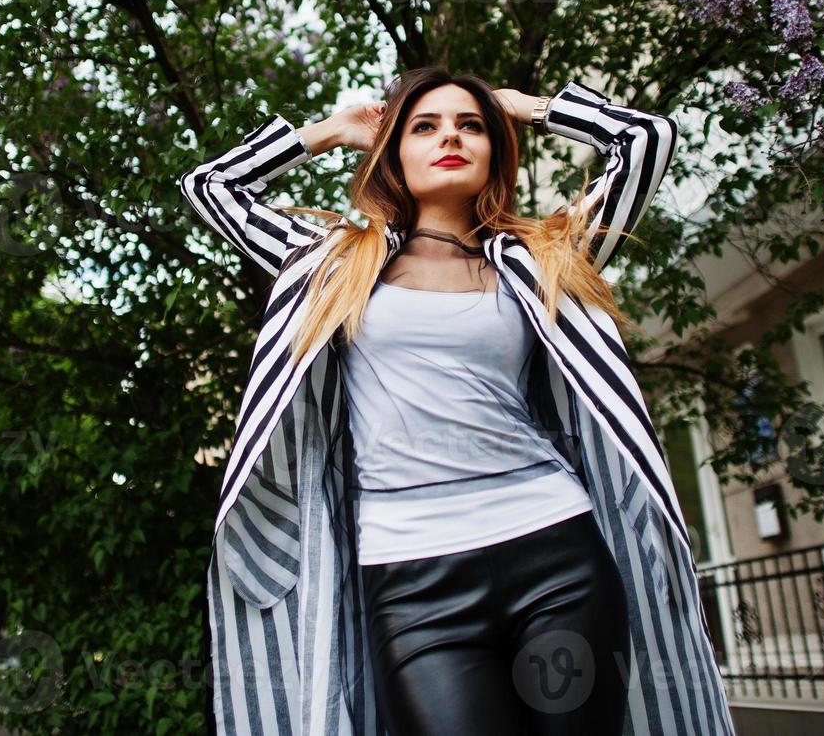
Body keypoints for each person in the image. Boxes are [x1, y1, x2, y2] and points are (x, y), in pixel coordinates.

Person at [181, 67, 735, 736]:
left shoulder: (542, 258)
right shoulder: (330, 263)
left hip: (556, 555)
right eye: (424, 126)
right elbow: (208, 186)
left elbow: (646, 139)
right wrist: (327, 133)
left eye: (469, 127)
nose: (450, 136)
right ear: (393, 153)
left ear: (494, 151)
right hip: (411, 579)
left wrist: (526, 108)